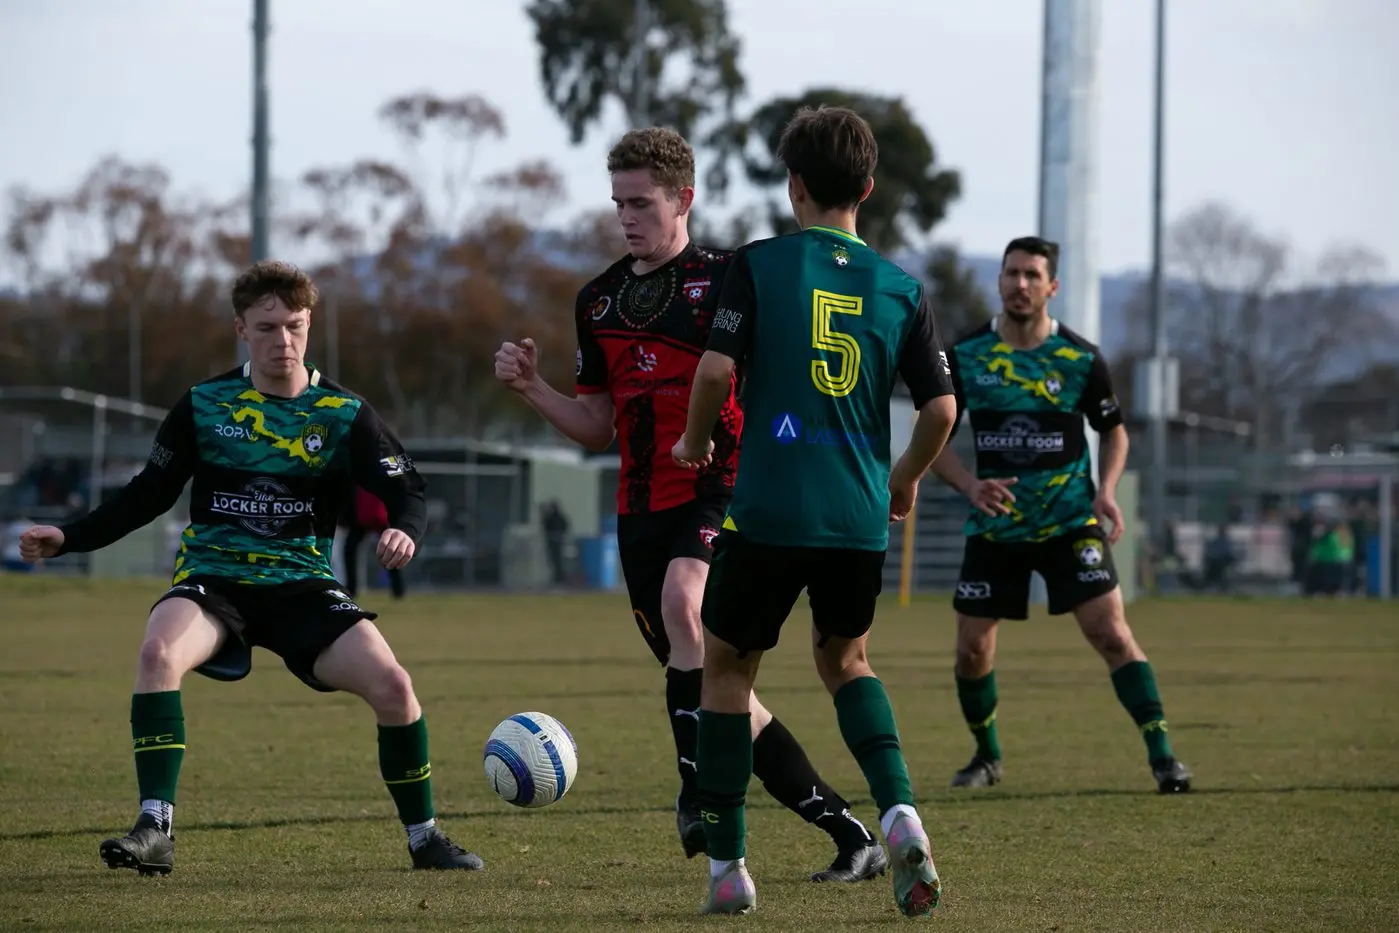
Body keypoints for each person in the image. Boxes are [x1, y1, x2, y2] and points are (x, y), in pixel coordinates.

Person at [494, 127, 883, 883]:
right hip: (640, 512)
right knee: (720, 691)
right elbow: (596, 426)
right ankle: (849, 833)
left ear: (684, 199)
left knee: (685, 602)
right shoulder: (598, 299)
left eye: (641, 202)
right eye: (618, 203)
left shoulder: (733, 278)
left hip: (725, 488)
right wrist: (530, 388)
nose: (626, 216)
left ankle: (695, 795)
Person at [18, 260, 481, 876]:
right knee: (159, 655)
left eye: (293, 326)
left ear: (309, 323)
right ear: (241, 329)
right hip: (216, 580)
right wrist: (69, 536)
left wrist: (404, 529)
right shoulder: (205, 405)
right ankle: (155, 828)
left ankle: (425, 839)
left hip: (303, 586)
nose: (281, 341)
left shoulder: (343, 414)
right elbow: (147, 493)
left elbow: (409, 489)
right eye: (266, 328)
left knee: (395, 688)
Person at [672, 105, 958, 918]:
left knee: (727, 670)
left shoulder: (758, 265)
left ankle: (728, 867)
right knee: (847, 664)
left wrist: (694, 443)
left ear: (792, 184)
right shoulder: (902, 288)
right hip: (855, 518)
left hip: (765, 512)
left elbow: (715, 372)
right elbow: (940, 410)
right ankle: (899, 812)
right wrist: (901, 481)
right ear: (866, 188)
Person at [928, 235, 1193, 795]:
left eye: (1031, 276)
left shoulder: (1079, 358)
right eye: (1011, 274)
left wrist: (1108, 491)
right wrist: (971, 484)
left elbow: (1113, 431)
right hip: (997, 527)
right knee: (972, 647)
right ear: (999, 282)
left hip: (1072, 522)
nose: (1019, 284)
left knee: (1111, 632)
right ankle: (987, 755)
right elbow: (936, 435)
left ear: (1052, 287)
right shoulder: (968, 355)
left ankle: (1164, 757)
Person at [344, 485, 406, 599]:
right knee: (350, 549)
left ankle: (398, 589)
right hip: (363, 515)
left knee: (392, 549)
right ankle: (352, 588)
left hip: (380, 515)